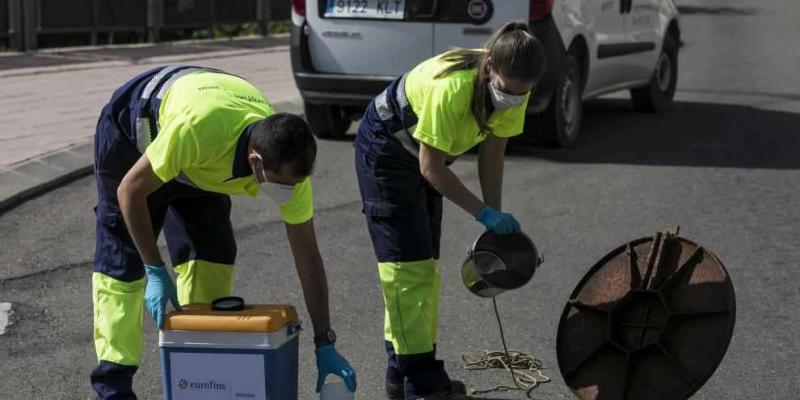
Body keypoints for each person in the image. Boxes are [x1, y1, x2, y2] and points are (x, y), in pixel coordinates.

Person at [91, 65, 356, 399]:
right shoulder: (201, 129)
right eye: (283, 184)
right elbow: (130, 191)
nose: (290, 192)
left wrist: (324, 342)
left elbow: (308, 257)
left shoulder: (289, 167)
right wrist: (154, 269)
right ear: (256, 162)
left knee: (212, 256)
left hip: (197, 162)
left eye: (296, 184)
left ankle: (199, 373)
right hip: (135, 134)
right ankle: (113, 384)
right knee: (123, 264)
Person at [354, 21, 546, 400]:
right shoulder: (453, 88)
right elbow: (431, 169)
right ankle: (420, 384)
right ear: (490, 65)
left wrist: (496, 214)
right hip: (387, 149)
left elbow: (493, 152)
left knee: (421, 270)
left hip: (423, 157)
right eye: (507, 90)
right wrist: (482, 214)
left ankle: (400, 374)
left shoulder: (515, 87)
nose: (513, 98)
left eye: (522, 93)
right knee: (406, 271)